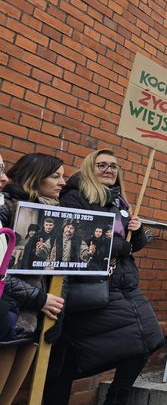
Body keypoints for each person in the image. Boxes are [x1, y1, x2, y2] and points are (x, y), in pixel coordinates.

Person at [44, 149, 164, 405]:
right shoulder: (75, 197)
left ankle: (117, 397)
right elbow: (79, 235)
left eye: (113, 166)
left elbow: (134, 245)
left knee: (150, 339)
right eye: (102, 165)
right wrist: (123, 246)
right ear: (90, 168)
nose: (109, 170)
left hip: (124, 285)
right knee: (68, 358)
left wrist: (138, 230)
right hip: (92, 287)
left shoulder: (120, 202)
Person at [0, 153, 65, 405]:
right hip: (11, 312)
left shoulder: (58, 215)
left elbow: (62, 270)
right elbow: (3, 272)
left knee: (9, 396)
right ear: (35, 178)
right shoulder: (8, 208)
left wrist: (58, 306)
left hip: (36, 315)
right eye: (55, 176)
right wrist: (39, 298)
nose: (62, 182)